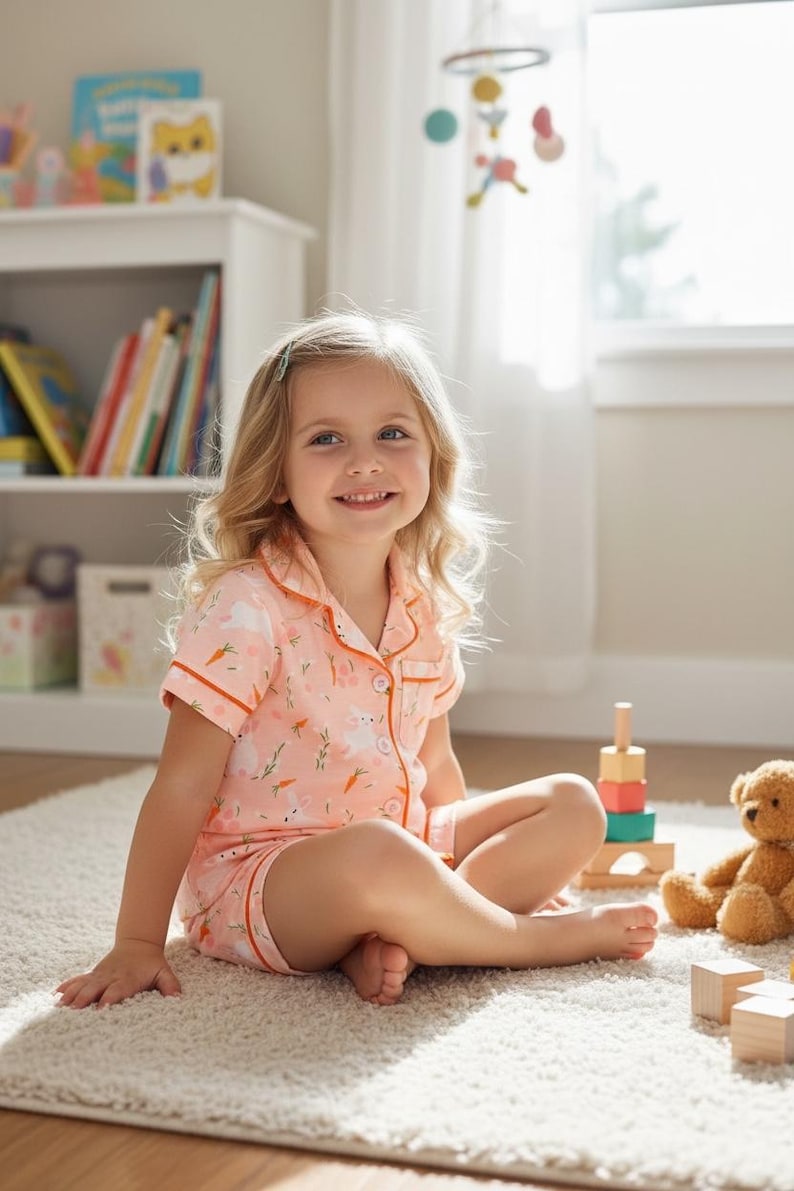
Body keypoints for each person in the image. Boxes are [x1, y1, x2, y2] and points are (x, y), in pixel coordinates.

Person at [57, 310, 657, 1011]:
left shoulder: (422, 603)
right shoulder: (246, 606)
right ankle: (528, 937)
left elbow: (436, 769)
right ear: (276, 474)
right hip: (262, 880)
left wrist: (471, 866)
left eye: (393, 434)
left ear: (432, 456)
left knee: (575, 805)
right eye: (326, 438)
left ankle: (420, 930)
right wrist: (137, 940)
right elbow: (181, 786)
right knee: (380, 853)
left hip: (395, 845)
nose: (365, 460)